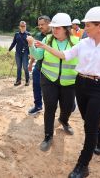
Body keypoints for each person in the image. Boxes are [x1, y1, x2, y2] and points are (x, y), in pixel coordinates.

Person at [33, 6, 100, 178]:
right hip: (81, 85)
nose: (83, 28)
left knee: (89, 127)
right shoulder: (84, 43)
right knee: (88, 120)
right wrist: (44, 45)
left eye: (88, 25)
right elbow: (63, 55)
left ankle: (83, 165)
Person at [26, 13, 79, 152]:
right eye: (53, 27)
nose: (54, 30)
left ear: (67, 28)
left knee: (68, 107)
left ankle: (64, 120)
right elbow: (38, 55)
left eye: (58, 28)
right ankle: (48, 136)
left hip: (69, 82)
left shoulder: (76, 41)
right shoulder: (48, 39)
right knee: (50, 108)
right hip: (49, 79)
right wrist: (32, 46)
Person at [28, 15, 51, 115]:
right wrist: (30, 63)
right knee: (36, 86)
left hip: (51, 68)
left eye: (42, 24)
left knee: (49, 90)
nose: (40, 27)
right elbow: (35, 52)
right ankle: (38, 106)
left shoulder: (56, 35)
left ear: (49, 24)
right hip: (38, 66)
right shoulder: (38, 35)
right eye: (39, 25)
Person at [8, 21, 31, 86]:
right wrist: (9, 50)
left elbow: (30, 45)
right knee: (19, 67)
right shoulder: (16, 34)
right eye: (22, 26)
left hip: (25, 53)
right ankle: (18, 81)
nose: (23, 27)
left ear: (26, 26)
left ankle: (27, 80)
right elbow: (14, 43)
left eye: (24, 26)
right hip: (18, 53)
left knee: (25, 67)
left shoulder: (28, 34)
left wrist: (30, 53)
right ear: (19, 27)